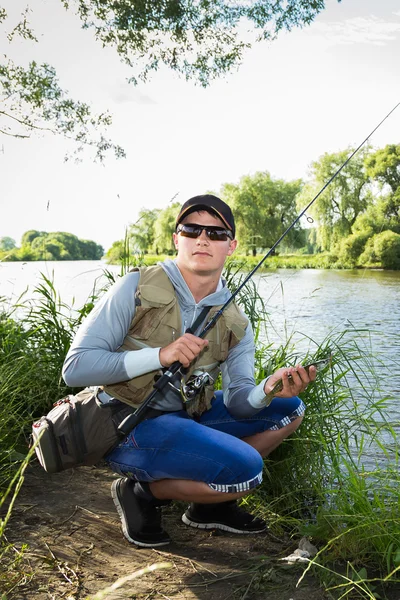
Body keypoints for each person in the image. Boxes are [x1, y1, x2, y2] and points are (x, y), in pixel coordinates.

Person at [62, 194, 316, 548]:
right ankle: (141, 491)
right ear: (176, 238)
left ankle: (209, 507)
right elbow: (75, 369)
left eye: (216, 233)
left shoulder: (236, 320)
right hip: (127, 419)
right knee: (246, 469)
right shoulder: (134, 287)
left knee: (289, 411)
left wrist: (268, 389)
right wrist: (161, 355)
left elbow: (242, 402)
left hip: (187, 415)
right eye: (192, 229)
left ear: (231, 246)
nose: (202, 239)